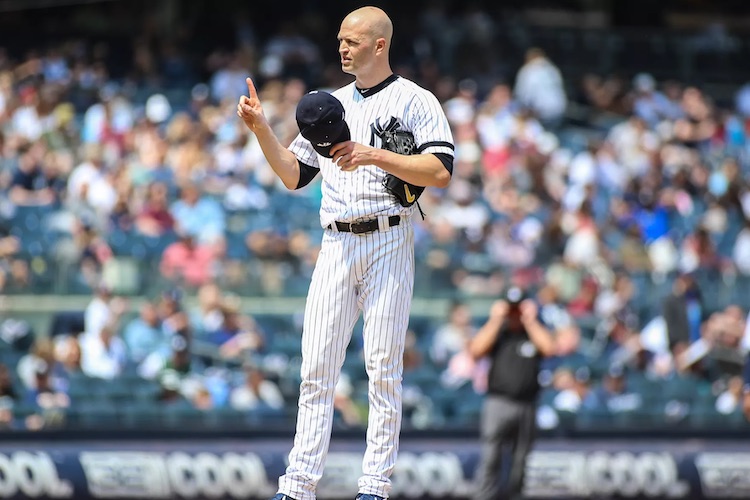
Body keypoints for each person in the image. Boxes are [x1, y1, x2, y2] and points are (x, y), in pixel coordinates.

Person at [237, 6, 454, 500]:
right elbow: (295, 175)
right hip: (336, 241)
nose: (342, 48)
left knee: (382, 368)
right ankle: (297, 486)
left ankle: (374, 486)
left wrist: (373, 153)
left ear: (380, 45)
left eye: (352, 41)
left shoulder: (416, 100)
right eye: (340, 40)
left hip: (388, 236)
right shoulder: (328, 104)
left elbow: (440, 170)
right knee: (315, 367)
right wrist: (261, 131)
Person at [468, 286, 556, 500]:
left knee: (520, 460)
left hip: (526, 404)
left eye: (518, 308)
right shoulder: (499, 333)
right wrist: (496, 319)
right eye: (512, 308)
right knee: (491, 458)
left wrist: (530, 320)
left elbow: (550, 349)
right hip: (498, 402)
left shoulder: (533, 331)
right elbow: (475, 350)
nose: (515, 313)